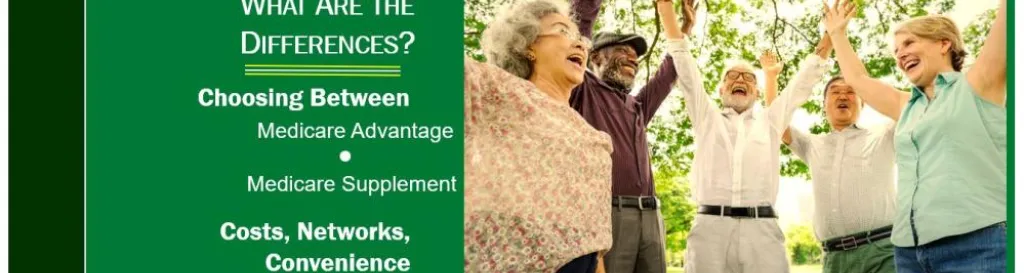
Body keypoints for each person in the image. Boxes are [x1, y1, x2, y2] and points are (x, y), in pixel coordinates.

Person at [822, 0, 1007, 271]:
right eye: (897, 51)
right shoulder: (905, 105)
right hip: (909, 252)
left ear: (944, 44)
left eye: (909, 43)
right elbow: (858, 79)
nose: (900, 55)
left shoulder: (978, 84)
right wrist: (837, 33)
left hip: (978, 243)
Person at [663, 2, 833, 271]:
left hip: (761, 233)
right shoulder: (706, 117)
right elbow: (684, 64)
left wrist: (831, 34)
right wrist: (665, 10)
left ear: (756, 91)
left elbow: (805, 80)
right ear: (721, 89)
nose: (740, 79)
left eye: (749, 77)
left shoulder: (771, 120)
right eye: (732, 76)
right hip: (710, 232)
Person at [463, 0, 614, 272]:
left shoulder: (595, 137)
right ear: (527, 45)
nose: (581, 44)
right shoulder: (497, 92)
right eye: (562, 32)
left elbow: (596, 242)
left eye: (582, 39)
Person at [568, 0, 680, 271]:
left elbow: (669, 73)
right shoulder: (583, 90)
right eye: (622, 50)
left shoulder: (638, 106)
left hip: (652, 217)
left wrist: (683, 28)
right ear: (595, 57)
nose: (633, 57)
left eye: (635, 55)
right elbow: (577, 28)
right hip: (608, 215)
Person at [764, 59, 898, 272]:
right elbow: (775, 120)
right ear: (824, 103)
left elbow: (905, 106)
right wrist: (771, 77)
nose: (843, 95)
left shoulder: (884, 134)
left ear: (863, 103)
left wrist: (864, 83)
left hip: (882, 253)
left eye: (851, 92)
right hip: (834, 259)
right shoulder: (812, 144)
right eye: (835, 92)